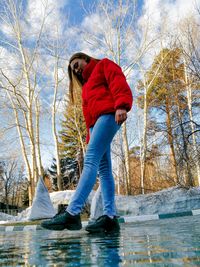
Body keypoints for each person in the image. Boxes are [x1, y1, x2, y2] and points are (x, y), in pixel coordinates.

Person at [41, 52, 133, 233]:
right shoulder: (86, 88)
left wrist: (121, 105)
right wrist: (90, 137)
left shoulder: (103, 65)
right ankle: (110, 217)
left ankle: (72, 213)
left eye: (77, 64)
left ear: (85, 59)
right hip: (95, 125)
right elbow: (87, 116)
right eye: (73, 69)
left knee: (90, 161)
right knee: (104, 169)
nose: (76, 69)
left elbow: (117, 80)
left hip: (109, 115)